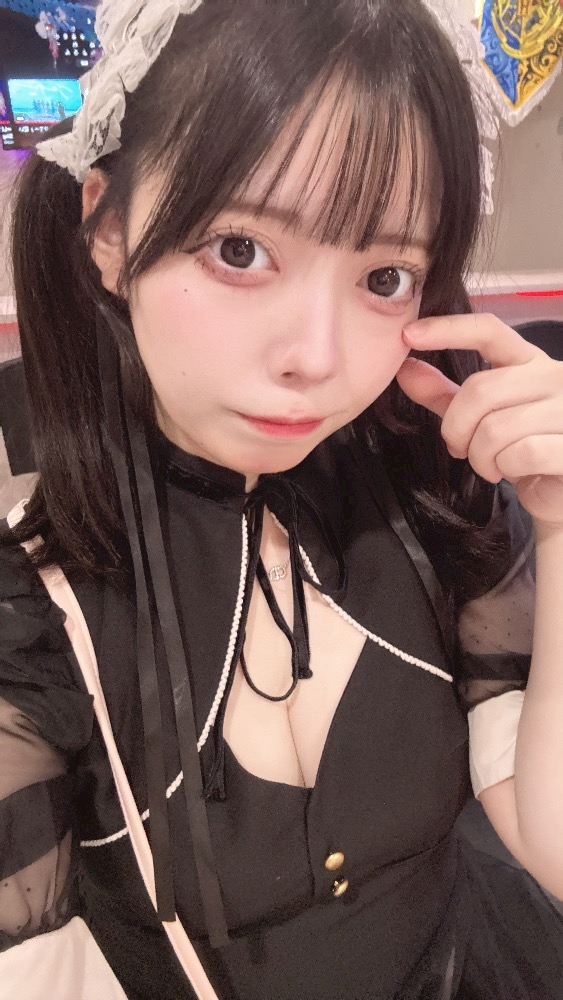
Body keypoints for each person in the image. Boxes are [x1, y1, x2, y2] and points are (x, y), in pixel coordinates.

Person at [2, 1, 563, 997]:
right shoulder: (31, 615)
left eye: (384, 275)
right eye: (239, 250)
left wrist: (560, 525)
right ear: (108, 231)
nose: (317, 356)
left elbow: (549, 840)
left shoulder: (432, 496)